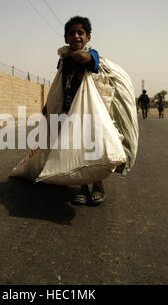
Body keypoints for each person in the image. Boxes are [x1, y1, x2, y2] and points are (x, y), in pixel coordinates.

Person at [46, 16, 104, 206]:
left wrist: (67, 52)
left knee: (92, 148)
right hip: (70, 109)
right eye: (72, 33)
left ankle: (98, 185)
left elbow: (83, 58)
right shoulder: (63, 60)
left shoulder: (91, 53)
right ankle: (82, 186)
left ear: (88, 37)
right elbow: (59, 83)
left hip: (90, 110)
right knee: (76, 148)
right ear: (66, 37)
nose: (76, 36)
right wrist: (50, 107)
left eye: (81, 33)